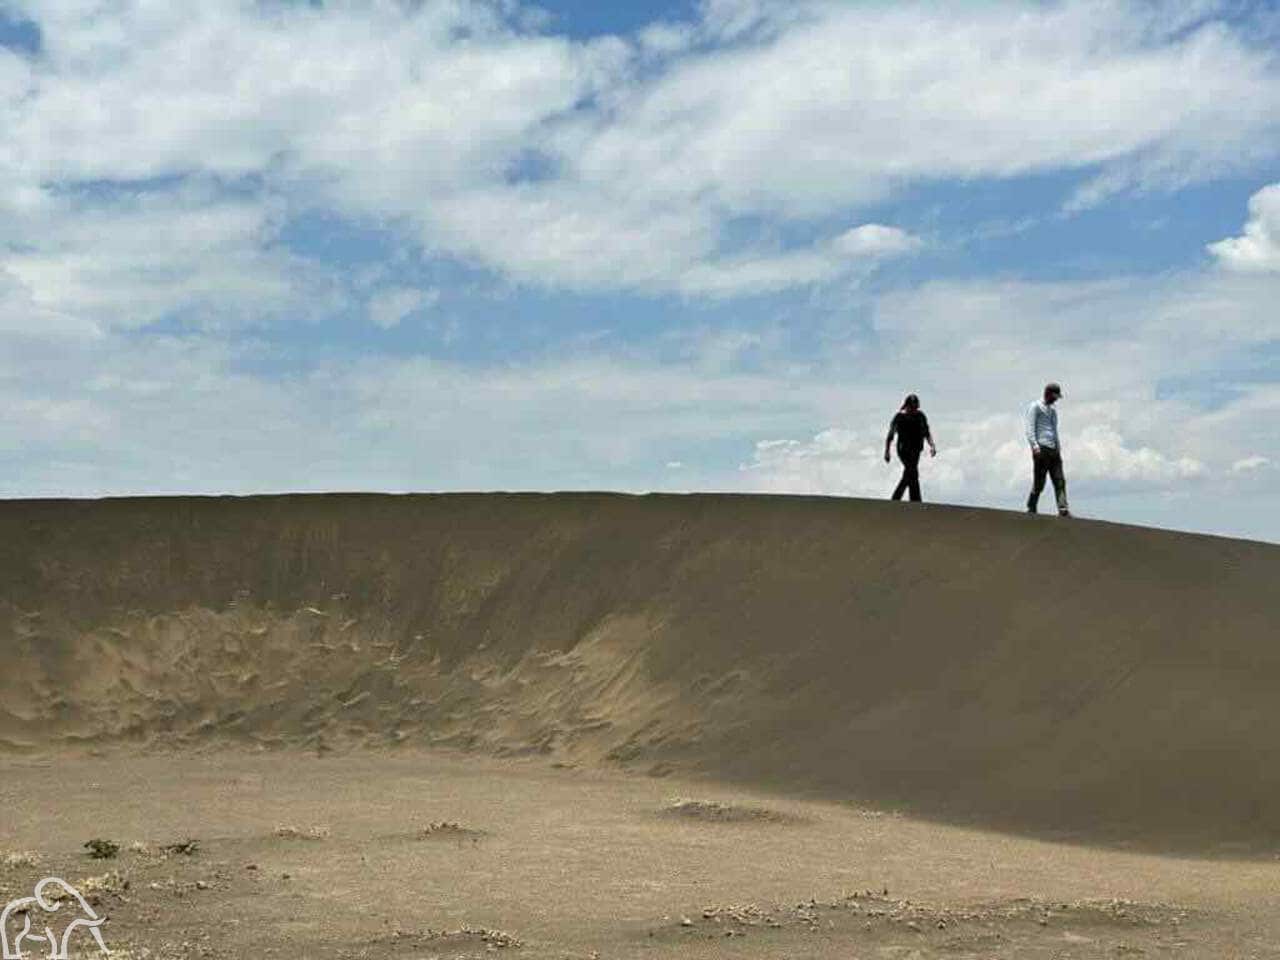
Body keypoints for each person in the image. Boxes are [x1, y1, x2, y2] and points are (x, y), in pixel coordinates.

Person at [1025, 382, 1070, 517]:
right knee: (1040, 481)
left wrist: (1058, 446)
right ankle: (1031, 506)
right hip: (1041, 448)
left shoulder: (1053, 410)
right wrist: (1034, 446)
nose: (1056, 399)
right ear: (1047, 393)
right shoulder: (1035, 407)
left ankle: (1063, 509)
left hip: (1053, 449)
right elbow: (1030, 428)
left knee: (1059, 479)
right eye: (1054, 396)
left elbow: (1054, 429)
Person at [884, 393, 936, 502]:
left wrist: (932, 445)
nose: (913, 410)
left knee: (911, 474)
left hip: (916, 450)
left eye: (915, 408)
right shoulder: (899, 417)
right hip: (904, 450)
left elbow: (927, 432)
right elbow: (890, 435)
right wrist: (887, 452)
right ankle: (914, 500)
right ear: (906, 406)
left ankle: (901, 499)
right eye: (911, 407)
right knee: (912, 471)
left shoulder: (920, 417)